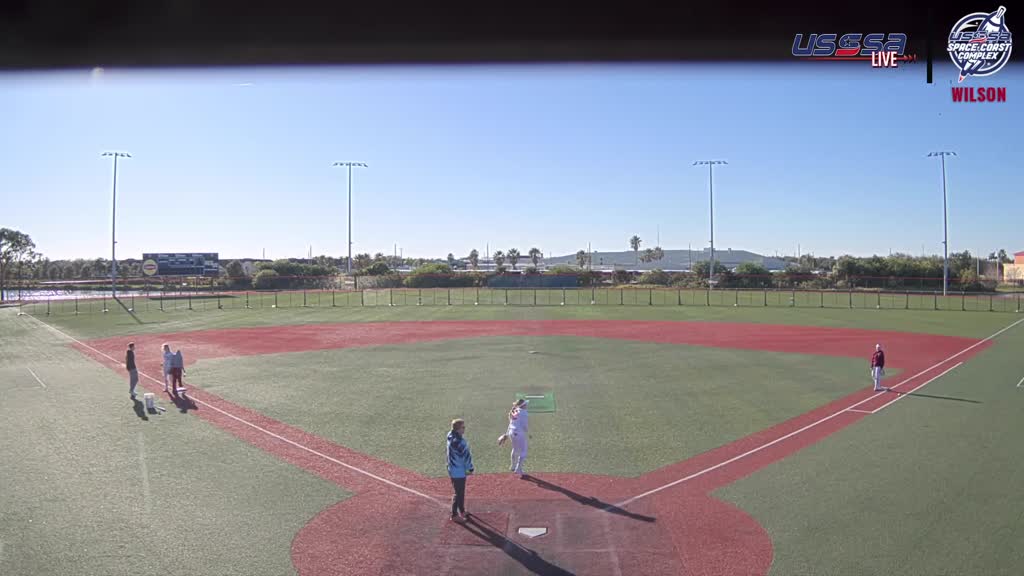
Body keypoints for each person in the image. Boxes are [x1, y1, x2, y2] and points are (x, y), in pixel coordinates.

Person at [446, 418, 474, 522]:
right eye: (463, 427)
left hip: (452, 468)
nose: (464, 429)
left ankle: (462, 510)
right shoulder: (461, 443)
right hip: (459, 471)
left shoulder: (450, 435)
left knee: (459, 491)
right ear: (458, 429)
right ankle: (454, 515)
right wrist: (470, 469)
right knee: (458, 493)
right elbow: (466, 458)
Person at [507, 399, 530, 476]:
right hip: (519, 433)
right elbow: (525, 426)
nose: (526, 405)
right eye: (525, 404)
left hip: (511, 432)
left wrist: (506, 434)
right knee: (524, 451)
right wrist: (528, 432)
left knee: (515, 448)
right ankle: (518, 468)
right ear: (523, 405)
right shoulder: (524, 413)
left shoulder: (514, 410)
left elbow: (510, 423)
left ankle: (512, 466)